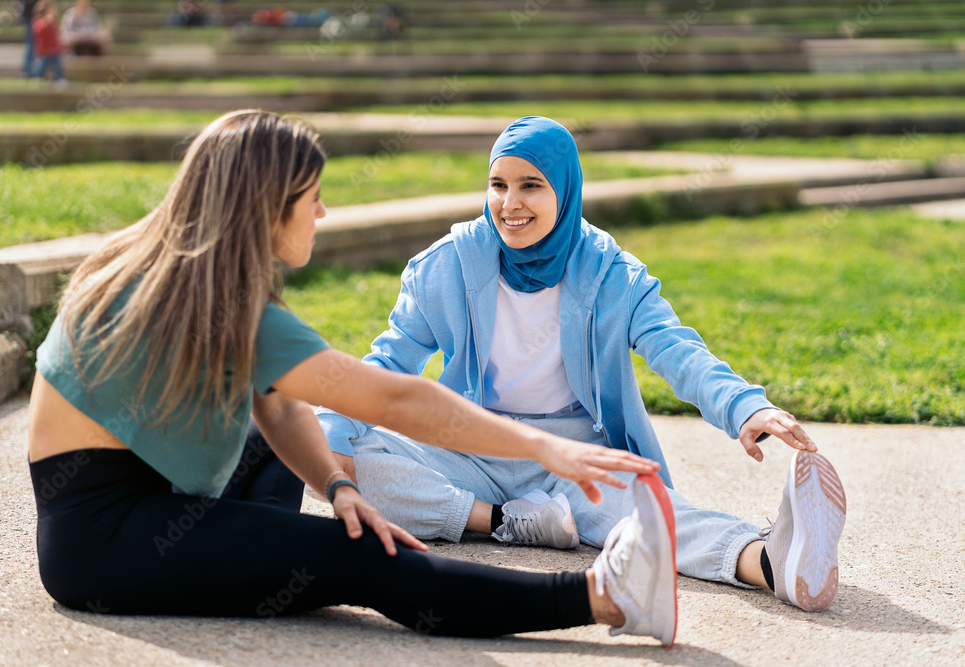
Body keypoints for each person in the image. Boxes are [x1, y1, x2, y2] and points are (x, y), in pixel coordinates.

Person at [28, 110, 680, 646]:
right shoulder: (221, 303)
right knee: (368, 556)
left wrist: (338, 484)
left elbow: (279, 409)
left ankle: (256, 561)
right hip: (102, 546)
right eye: (312, 200)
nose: (324, 213)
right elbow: (393, 397)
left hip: (123, 504)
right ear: (267, 207)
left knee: (286, 458)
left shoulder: (186, 274)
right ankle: (608, 598)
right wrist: (544, 446)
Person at [317, 116, 848, 613]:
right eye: (498, 184)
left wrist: (743, 405)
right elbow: (388, 364)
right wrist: (337, 434)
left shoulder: (611, 274)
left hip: (571, 458)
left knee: (652, 515)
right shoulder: (449, 265)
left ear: (565, 191)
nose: (510, 203)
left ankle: (772, 561)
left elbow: (674, 346)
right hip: (470, 452)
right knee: (331, 448)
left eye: (531, 185)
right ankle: (505, 522)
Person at [32, 1, 66, 85]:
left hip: (54, 49)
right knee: (40, 67)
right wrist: (46, 23)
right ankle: (38, 79)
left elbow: (58, 33)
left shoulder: (55, 21)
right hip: (43, 50)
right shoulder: (38, 21)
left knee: (58, 67)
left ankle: (60, 80)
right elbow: (38, 32)